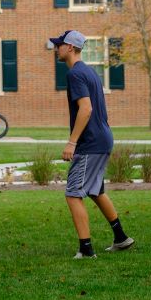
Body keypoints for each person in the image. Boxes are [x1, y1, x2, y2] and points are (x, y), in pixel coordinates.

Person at [51, 30, 134, 259]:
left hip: (90, 142)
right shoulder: (89, 72)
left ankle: (86, 249)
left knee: (73, 194)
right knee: (95, 190)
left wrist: (72, 142)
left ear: (70, 47)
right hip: (103, 138)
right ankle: (121, 238)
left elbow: (86, 109)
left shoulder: (75, 74)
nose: (56, 48)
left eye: (59, 45)